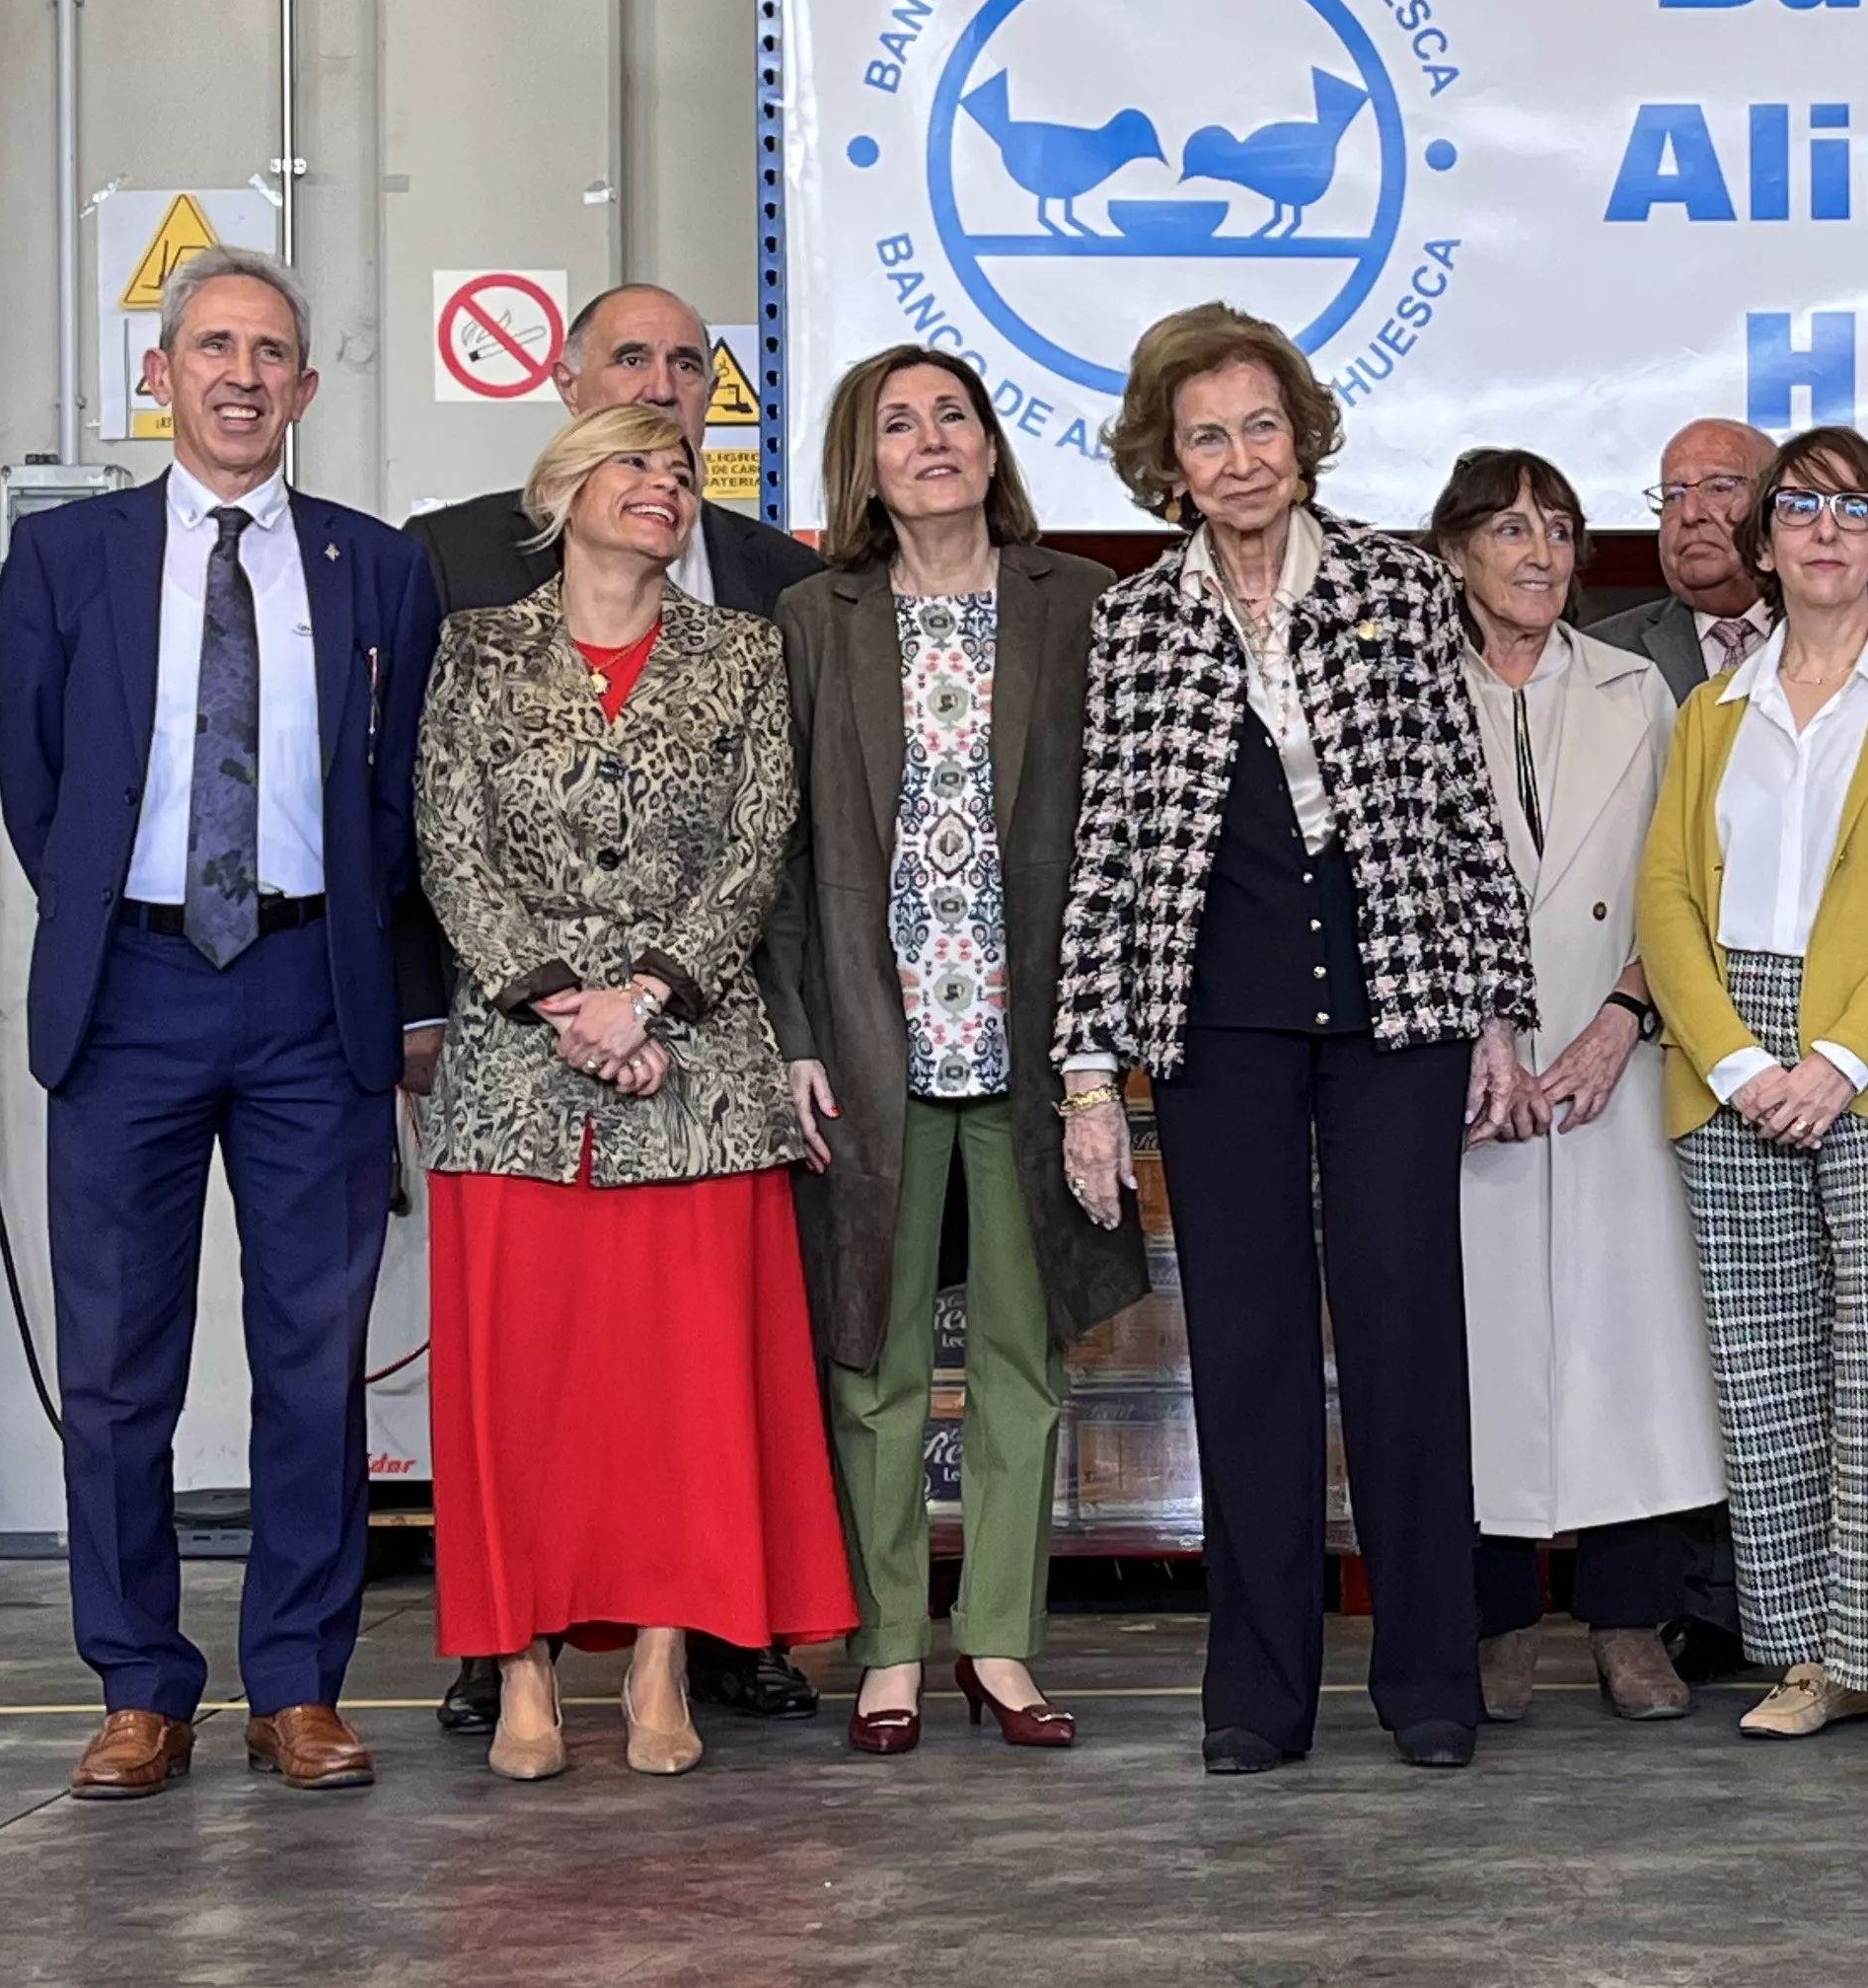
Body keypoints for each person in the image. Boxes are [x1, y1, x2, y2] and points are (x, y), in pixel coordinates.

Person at [1055, 304, 1535, 1776]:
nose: (1242, 457)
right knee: (1246, 1360)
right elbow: (1110, 852)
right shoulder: (1135, 620)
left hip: (1393, 1016)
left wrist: (1499, 1005)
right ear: (1169, 462)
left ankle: (1428, 1682)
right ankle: (1255, 1697)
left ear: (1302, 436)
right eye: (1208, 435)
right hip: (1219, 1026)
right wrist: (1089, 1066)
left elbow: (1463, 813)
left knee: (1408, 1344)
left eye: (1262, 426)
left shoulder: (1396, 585)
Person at [0, 246, 441, 1803]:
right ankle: (138, 1686)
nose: (243, 375)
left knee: (312, 1360)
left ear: (307, 391)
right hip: (129, 993)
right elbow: (37, 786)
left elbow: (397, 808)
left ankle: (297, 1685)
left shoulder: (377, 569)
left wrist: (377, 978)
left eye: (272, 354)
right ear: (162, 378)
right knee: (119, 1362)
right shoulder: (65, 561)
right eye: (214, 348)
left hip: (315, 995)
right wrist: (123, 925)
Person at [405, 280, 823, 1735]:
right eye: (634, 460)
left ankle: (660, 1657)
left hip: (697, 1067)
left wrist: (645, 996)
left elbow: (758, 847)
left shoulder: (747, 650)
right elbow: (448, 846)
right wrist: (560, 1000)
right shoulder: (474, 645)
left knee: (681, 1394)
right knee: (521, 1394)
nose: (663, 485)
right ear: (564, 481)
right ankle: (517, 1667)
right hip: (516, 1077)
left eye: (679, 463)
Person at [761, 345, 1148, 1756]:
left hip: (1030, 1040)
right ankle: (884, 1649)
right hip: (872, 1042)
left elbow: (1115, 843)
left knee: (1018, 1354)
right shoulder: (815, 617)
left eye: (955, 416)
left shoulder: (1078, 606)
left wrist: (1097, 1057)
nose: (931, 439)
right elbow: (781, 858)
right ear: (861, 461)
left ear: (994, 445)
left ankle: (996, 1641)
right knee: (865, 1356)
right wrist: (796, 1036)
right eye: (898, 422)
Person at [1635, 425, 1868, 1767]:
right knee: (1767, 1370)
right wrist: (1736, 1059)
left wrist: (1836, 1057)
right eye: (1798, 508)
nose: (1824, 531)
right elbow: (1669, 896)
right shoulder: (1706, 710)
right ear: (1766, 540)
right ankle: (1812, 1656)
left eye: (1852, 512)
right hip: (1728, 1050)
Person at [1429, 447, 1724, 1727]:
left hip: (1612, 1056)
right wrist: (1470, 1029)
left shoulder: (1636, 688)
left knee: (1626, 1344)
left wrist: (1620, 1016)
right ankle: (1495, 1621)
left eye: (1556, 528)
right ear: (1452, 554)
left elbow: (1680, 876)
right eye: (1507, 528)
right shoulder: (1409, 691)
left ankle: (1624, 1621)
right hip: (1462, 1068)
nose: (1539, 551)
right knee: (1474, 1350)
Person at [1590, 415, 1780, 700]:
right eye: (1673, 495)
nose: (1690, 513)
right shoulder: (1599, 655)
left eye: (1719, 487)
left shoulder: (1842, 637)